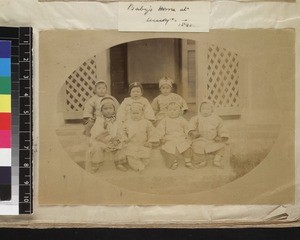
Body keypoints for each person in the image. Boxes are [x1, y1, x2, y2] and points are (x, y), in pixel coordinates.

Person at [86, 97, 126, 173]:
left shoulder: (117, 120)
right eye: (105, 109)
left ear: (114, 110)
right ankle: (96, 164)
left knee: (122, 144)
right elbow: (97, 133)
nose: (108, 111)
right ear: (101, 110)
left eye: (110, 108)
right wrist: (110, 138)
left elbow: (121, 129)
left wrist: (118, 138)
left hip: (114, 141)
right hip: (102, 140)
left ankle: (119, 163)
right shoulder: (100, 120)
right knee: (96, 146)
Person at [151, 101, 194, 170]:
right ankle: (174, 161)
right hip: (169, 138)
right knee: (169, 148)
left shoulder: (182, 120)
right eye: (170, 110)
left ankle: (187, 161)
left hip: (181, 138)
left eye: (174, 110)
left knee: (186, 147)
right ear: (167, 111)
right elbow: (160, 130)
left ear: (179, 111)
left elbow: (187, 128)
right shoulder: (165, 120)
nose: (172, 112)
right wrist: (160, 138)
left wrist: (189, 134)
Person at [188, 99, 229, 168]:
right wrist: (193, 132)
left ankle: (217, 159)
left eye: (208, 109)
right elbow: (191, 126)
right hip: (200, 139)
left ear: (212, 110)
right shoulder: (196, 118)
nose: (205, 111)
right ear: (200, 110)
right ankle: (202, 161)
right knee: (196, 147)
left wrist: (220, 136)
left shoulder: (217, 119)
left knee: (222, 146)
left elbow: (221, 128)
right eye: (203, 109)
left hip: (212, 140)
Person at [118, 102, 155, 173]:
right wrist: (125, 138)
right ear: (130, 113)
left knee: (146, 156)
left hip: (143, 143)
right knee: (131, 156)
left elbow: (152, 132)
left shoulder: (146, 122)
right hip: (131, 143)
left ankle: (142, 165)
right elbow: (121, 132)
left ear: (142, 113)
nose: (135, 115)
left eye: (137, 113)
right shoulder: (127, 122)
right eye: (133, 113)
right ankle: (139, 167)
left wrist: (150, 141)